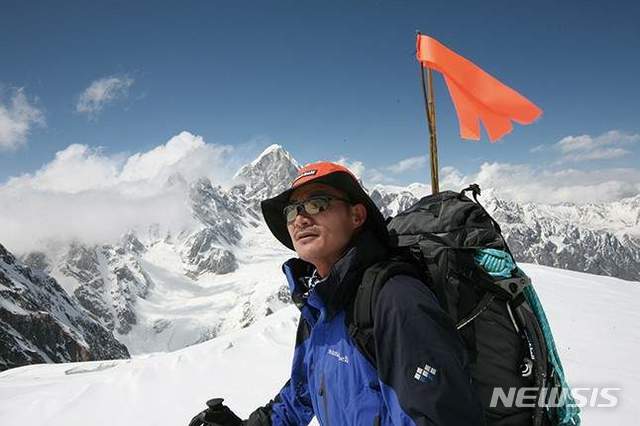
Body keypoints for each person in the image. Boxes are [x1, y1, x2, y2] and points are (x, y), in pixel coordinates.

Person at [189, 162, 484, 426]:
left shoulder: (395, 299)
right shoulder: (319, 303)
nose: (299, 219)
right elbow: (303, 393)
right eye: (292, 210)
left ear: (356, 216)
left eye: (317, 204)